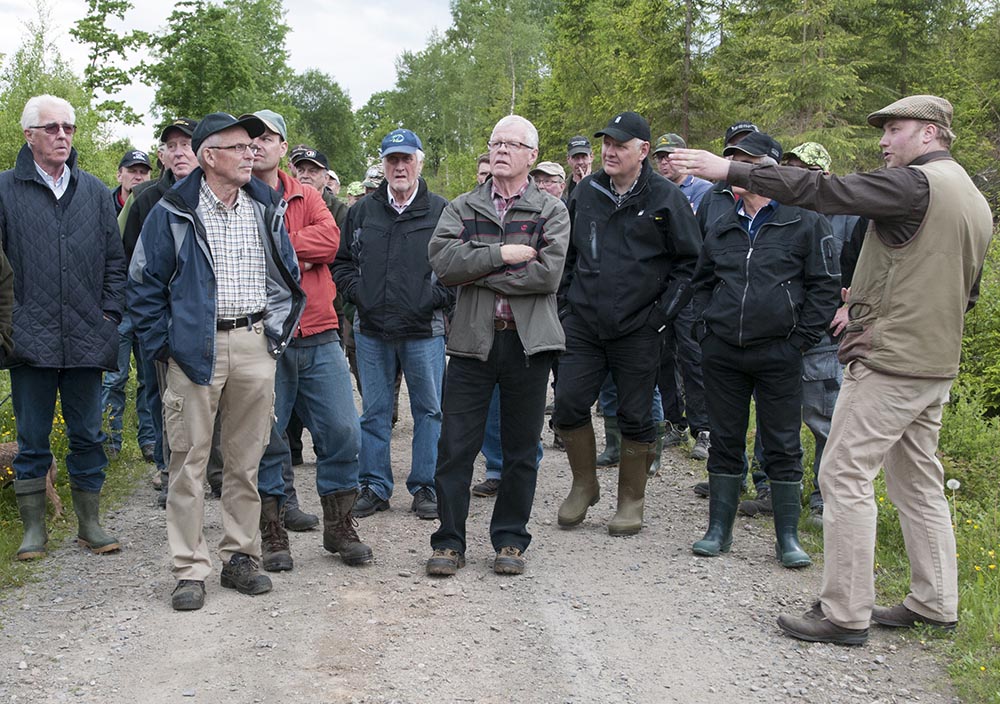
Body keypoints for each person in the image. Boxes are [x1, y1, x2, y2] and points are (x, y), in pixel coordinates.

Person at [671, 95, 992, 644]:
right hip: (935, 361)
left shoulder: (915, 185)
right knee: (918, 481)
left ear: (931, 133)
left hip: (891, 363)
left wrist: (732, 169)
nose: (885, 141)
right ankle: (935, 600)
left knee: (842, 474)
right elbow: (966, 292)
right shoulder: (974, 198)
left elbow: (826, 190)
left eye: (895, 129)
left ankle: (844, 612)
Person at [128, 112, 305, 611]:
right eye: (240, 147)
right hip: (193, 351)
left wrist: (273, 337)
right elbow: (143, 286)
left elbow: (287, 276)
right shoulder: (172, 212)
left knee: (246, 462)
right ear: (210, 156)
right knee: (187, 462)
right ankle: (189, 569)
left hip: (253, 343)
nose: (252, 153)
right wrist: (165, 347)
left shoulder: (265, 206)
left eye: (254, 146)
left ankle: (240, 558)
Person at [685, 132, 840, 568]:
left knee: (783, 444)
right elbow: (702, 282)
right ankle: (719, 530)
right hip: (724, 354)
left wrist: (798, 343)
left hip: (780, 354)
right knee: (725, 440)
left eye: (747, 160)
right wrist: (705, 328)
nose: (737, 166)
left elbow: (824, 288)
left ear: (772, 169)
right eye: (733, 158)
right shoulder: (722, 221)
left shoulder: (806, 221)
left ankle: (787, 538)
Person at [426, 114, 569, 576]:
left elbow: (548, 274)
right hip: (472, 343)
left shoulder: (551, 211)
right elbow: (445, 264)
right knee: (455, 446)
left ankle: (510, 540)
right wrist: (502, 255)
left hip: (528, 346)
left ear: (531, 155)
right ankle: (448, 542)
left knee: (521, 448)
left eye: (512, 144)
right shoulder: (462, 207)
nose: (501, 150)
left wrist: (480, 272)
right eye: (495, 142)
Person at [553, 111, 701, 536]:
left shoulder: (665, 198)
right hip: (584, 322)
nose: (609, 151)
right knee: (568, 403)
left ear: (643, 151)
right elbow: (567, 256)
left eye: (619, 144)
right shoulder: (586, 191)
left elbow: (690, 265)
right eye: (606, 144)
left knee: (635, 413)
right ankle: (585, 484)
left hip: (640, 325)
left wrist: (661, 317)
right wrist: (566, 305)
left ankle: (631, 500)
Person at [2, 94, 125, 561]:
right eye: (51, 128)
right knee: (31, 439)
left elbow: (115, 262)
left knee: (88, 434)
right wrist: (8, 325)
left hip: (87, 335)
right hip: (28, 340)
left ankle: (90, 523)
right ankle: (34, 530)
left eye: (68, 128)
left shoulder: (93, 192)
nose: (62, 136)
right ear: (29, 135)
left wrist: (109, 314)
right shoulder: (4, 190)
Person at [247, 109, 371, 572]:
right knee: (265, 437)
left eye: (269, 136)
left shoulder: (306, 193)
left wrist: (273, 240)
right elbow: (241, 252)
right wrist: (297, 246)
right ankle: (272, 531)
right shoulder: (234, 197)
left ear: (283, 147)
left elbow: (331, 242)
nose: (258, 143)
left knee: (343, 428)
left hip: (318, 332)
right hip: (262, 336)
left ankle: (339, 527)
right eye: (251, 137)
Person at [737, 142, 864, 527]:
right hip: (777, 333)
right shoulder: (774, 210)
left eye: (803, 169)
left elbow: (867, 269)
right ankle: (771, 490)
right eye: (789, 168)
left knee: (826, 419)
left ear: (823, 175)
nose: (794, 175)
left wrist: (849, 307)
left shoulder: (850, 215)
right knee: (774, 416)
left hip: (824, 335)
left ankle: (824, 498)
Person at [333, 128, 450, 521]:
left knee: (429, 410)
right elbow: (342, 262)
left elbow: (456, 269)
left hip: (423, 330)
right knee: (375, 411)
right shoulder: (362, 211)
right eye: (391, 160)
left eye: (406, 159)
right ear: (383, 165)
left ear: (419, 161)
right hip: (372, 330)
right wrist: (359, 293)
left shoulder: (440, 210)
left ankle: (426, 486)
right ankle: (375, 485)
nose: (399, 167)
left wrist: (430, 299)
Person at [120, 117, 202, 505]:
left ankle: (211, 472)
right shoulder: (147, 198)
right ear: (162, 155)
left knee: (209, 397)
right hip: (162, 321)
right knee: (162, 395)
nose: (179, 151)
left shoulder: (216, 194)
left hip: (206, 319)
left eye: (186, 144)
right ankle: (169, 469)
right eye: (171, 145)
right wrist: (149, 325)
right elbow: (131, 266)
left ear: (201, 149)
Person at [103, 147, 157, 463]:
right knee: (114, 377)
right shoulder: (103, 205)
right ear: (120, 174)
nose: (137, 176)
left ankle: (149, 441)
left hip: (146, 304)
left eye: (143, 171)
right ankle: (109, 442)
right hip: (115, 306)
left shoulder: (153, 203)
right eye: (132, 170)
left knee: (149, 378)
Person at [651, 133, 712, 212]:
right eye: (660, 157)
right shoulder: (654, 191)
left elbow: (693, 221)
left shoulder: (702, 189)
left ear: (684, 157)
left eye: (669, 156)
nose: (663, 162)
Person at [111, 149, 152, 214]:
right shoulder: (104, 204)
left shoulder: (157, 206)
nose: (138, 177)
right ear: (119, 176)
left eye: (143, 172)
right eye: (132, 171)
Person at [564, 135, 593, 199]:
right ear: (568, 159)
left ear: (591, 157)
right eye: (576, 158)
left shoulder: (601, 185)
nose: (580, 162)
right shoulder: (563, 188)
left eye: (583, 157)